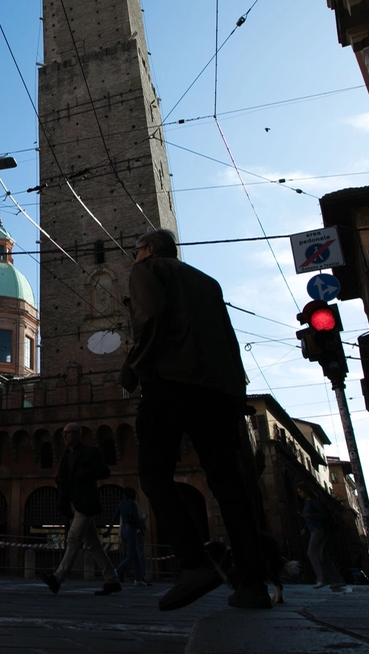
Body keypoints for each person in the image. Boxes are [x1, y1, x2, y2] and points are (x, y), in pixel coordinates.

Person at [122, 229, 269, 610]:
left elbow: (150, 319)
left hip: (172, 381)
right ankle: (254, 585)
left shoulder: (147, 270)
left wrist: (134, 367)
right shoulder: (208, 281)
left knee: (154, 473)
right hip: (220, 390)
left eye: (136, 250)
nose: (134, 256)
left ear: (150, 250)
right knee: (229, 485)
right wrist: (237, 391)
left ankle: (193, 563)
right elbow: (228, 338)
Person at [41, 423, 120, 595]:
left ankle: (57, 578)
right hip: (73, 503)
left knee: (73, 538)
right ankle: (112, 580)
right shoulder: (65, 456)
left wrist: (85, 473)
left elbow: (105, 471)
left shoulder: (90, 452)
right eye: (63, 433)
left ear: (77, 434)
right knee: (94, 545)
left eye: (67, 433)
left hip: (86, 503)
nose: (64, 436)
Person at [297, 484, 346, 590]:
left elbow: (324, 515)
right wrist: (305, 528)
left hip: (319, 530)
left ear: (306, 491)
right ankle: (337, 580)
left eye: (300, 491)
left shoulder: (314, 502)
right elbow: (309, 518)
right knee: (323, 555)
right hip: (313, 529)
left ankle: (322, 579)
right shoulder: (306, 504)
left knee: (312, 552)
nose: (299, 494)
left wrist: (310, 516)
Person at [109, 487, 150, 586]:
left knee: (135, 556)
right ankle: (116, 571)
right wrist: (144, 520)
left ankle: (138, 579)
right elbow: (137, 518)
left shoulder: (122, 504)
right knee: (132, 556)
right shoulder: (133, 504)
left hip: (124, 530)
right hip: (132, 530)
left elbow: (118, 519)